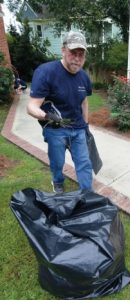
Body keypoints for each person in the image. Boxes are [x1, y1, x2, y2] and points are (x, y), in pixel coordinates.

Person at [27, 31, 93, 194]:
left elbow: (84, 102)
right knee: (57, 162)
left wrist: (85, 125)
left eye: (81, 54)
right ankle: (57, 181)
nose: (77, 58)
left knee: (84, 162)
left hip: (78, 128)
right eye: (73, 53)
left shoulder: (84, 77)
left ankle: (87, 193)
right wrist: (47, 116)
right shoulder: (46, 72)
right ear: (63, 50)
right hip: (55, 129)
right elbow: (32, 106)